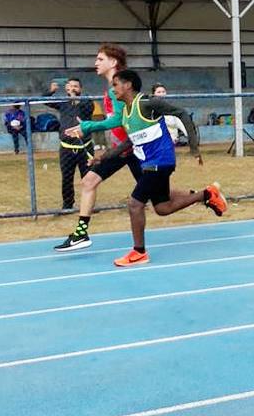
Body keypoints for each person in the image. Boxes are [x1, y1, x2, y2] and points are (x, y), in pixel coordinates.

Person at [89, 69, 226, 267]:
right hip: (150, 164)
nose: (113, 89)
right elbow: (129, 142)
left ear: (128, 85)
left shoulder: (147, 103)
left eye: (116, 85)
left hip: (160, 161)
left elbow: (181, 113)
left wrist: (194, 147)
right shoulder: (127, 113)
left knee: (135, 204)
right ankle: (206, 194)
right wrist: (103, 158)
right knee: (162, 208)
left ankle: (139, 252)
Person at [55, 44, 145, 252]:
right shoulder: (110, 89)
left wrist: (88, 126)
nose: (95, 63)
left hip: (134, 148)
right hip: (121, 150)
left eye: (100, 59)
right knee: (89, 181)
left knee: (162, 202)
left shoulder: (119, 87)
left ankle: (204, 195)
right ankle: (81, 234)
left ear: (112, 62)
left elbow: (118, 120)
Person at [43, 78, 96, 209]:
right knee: (67, 177)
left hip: (84, 147)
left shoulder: (87, 102)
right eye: (70, 86)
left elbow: (87, 108)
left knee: (88, 178)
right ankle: (67, 204)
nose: (72, 88)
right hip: (67, 149)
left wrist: (74, 97)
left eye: (75, 86)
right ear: (66, 89)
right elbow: (44, 100)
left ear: (80, 89)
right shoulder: (62, 103)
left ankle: (88, 205)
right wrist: (51, 91)